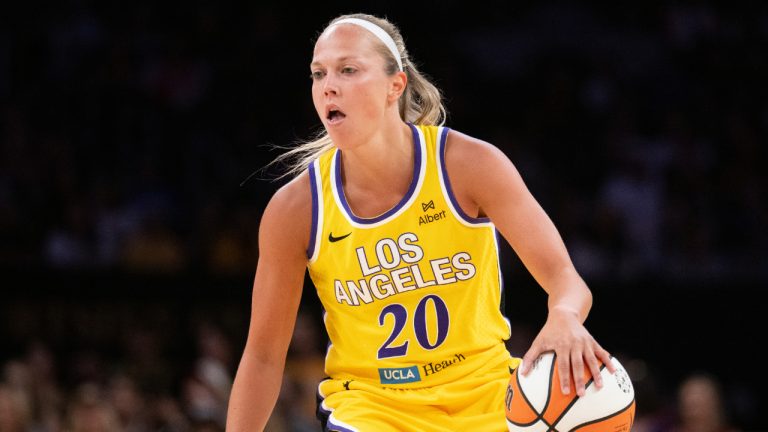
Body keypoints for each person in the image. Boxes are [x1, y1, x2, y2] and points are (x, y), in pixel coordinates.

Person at [226, 13, 614, 431]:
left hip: (485, 395)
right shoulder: (296, 208)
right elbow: (264, 355)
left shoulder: (468, 165)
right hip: (372, 406)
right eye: (318, 74)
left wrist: (566, 317)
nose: (328, 86)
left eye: (348, 69)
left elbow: (565, 279)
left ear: (397, 85)